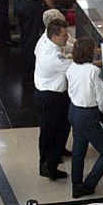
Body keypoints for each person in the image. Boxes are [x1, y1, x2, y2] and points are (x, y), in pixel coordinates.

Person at [66, 38, 103, 198]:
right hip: (88, 115)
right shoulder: (93, 71)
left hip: (74, 111)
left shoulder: (71, 68)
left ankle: (76, 185)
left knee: (78, 150)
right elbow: (101, 98)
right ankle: (89, 184)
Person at [34, 20, 73, 180]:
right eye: (64, 35)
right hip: (52, 98)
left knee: (49, 130)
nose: (67, 37)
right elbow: (75, 68)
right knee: (57, 130)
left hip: (45, 93)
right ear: (55, 36)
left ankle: (56, 153)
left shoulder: (45, 39)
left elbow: (68, 48)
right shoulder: (53, 57)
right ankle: (49, 165)